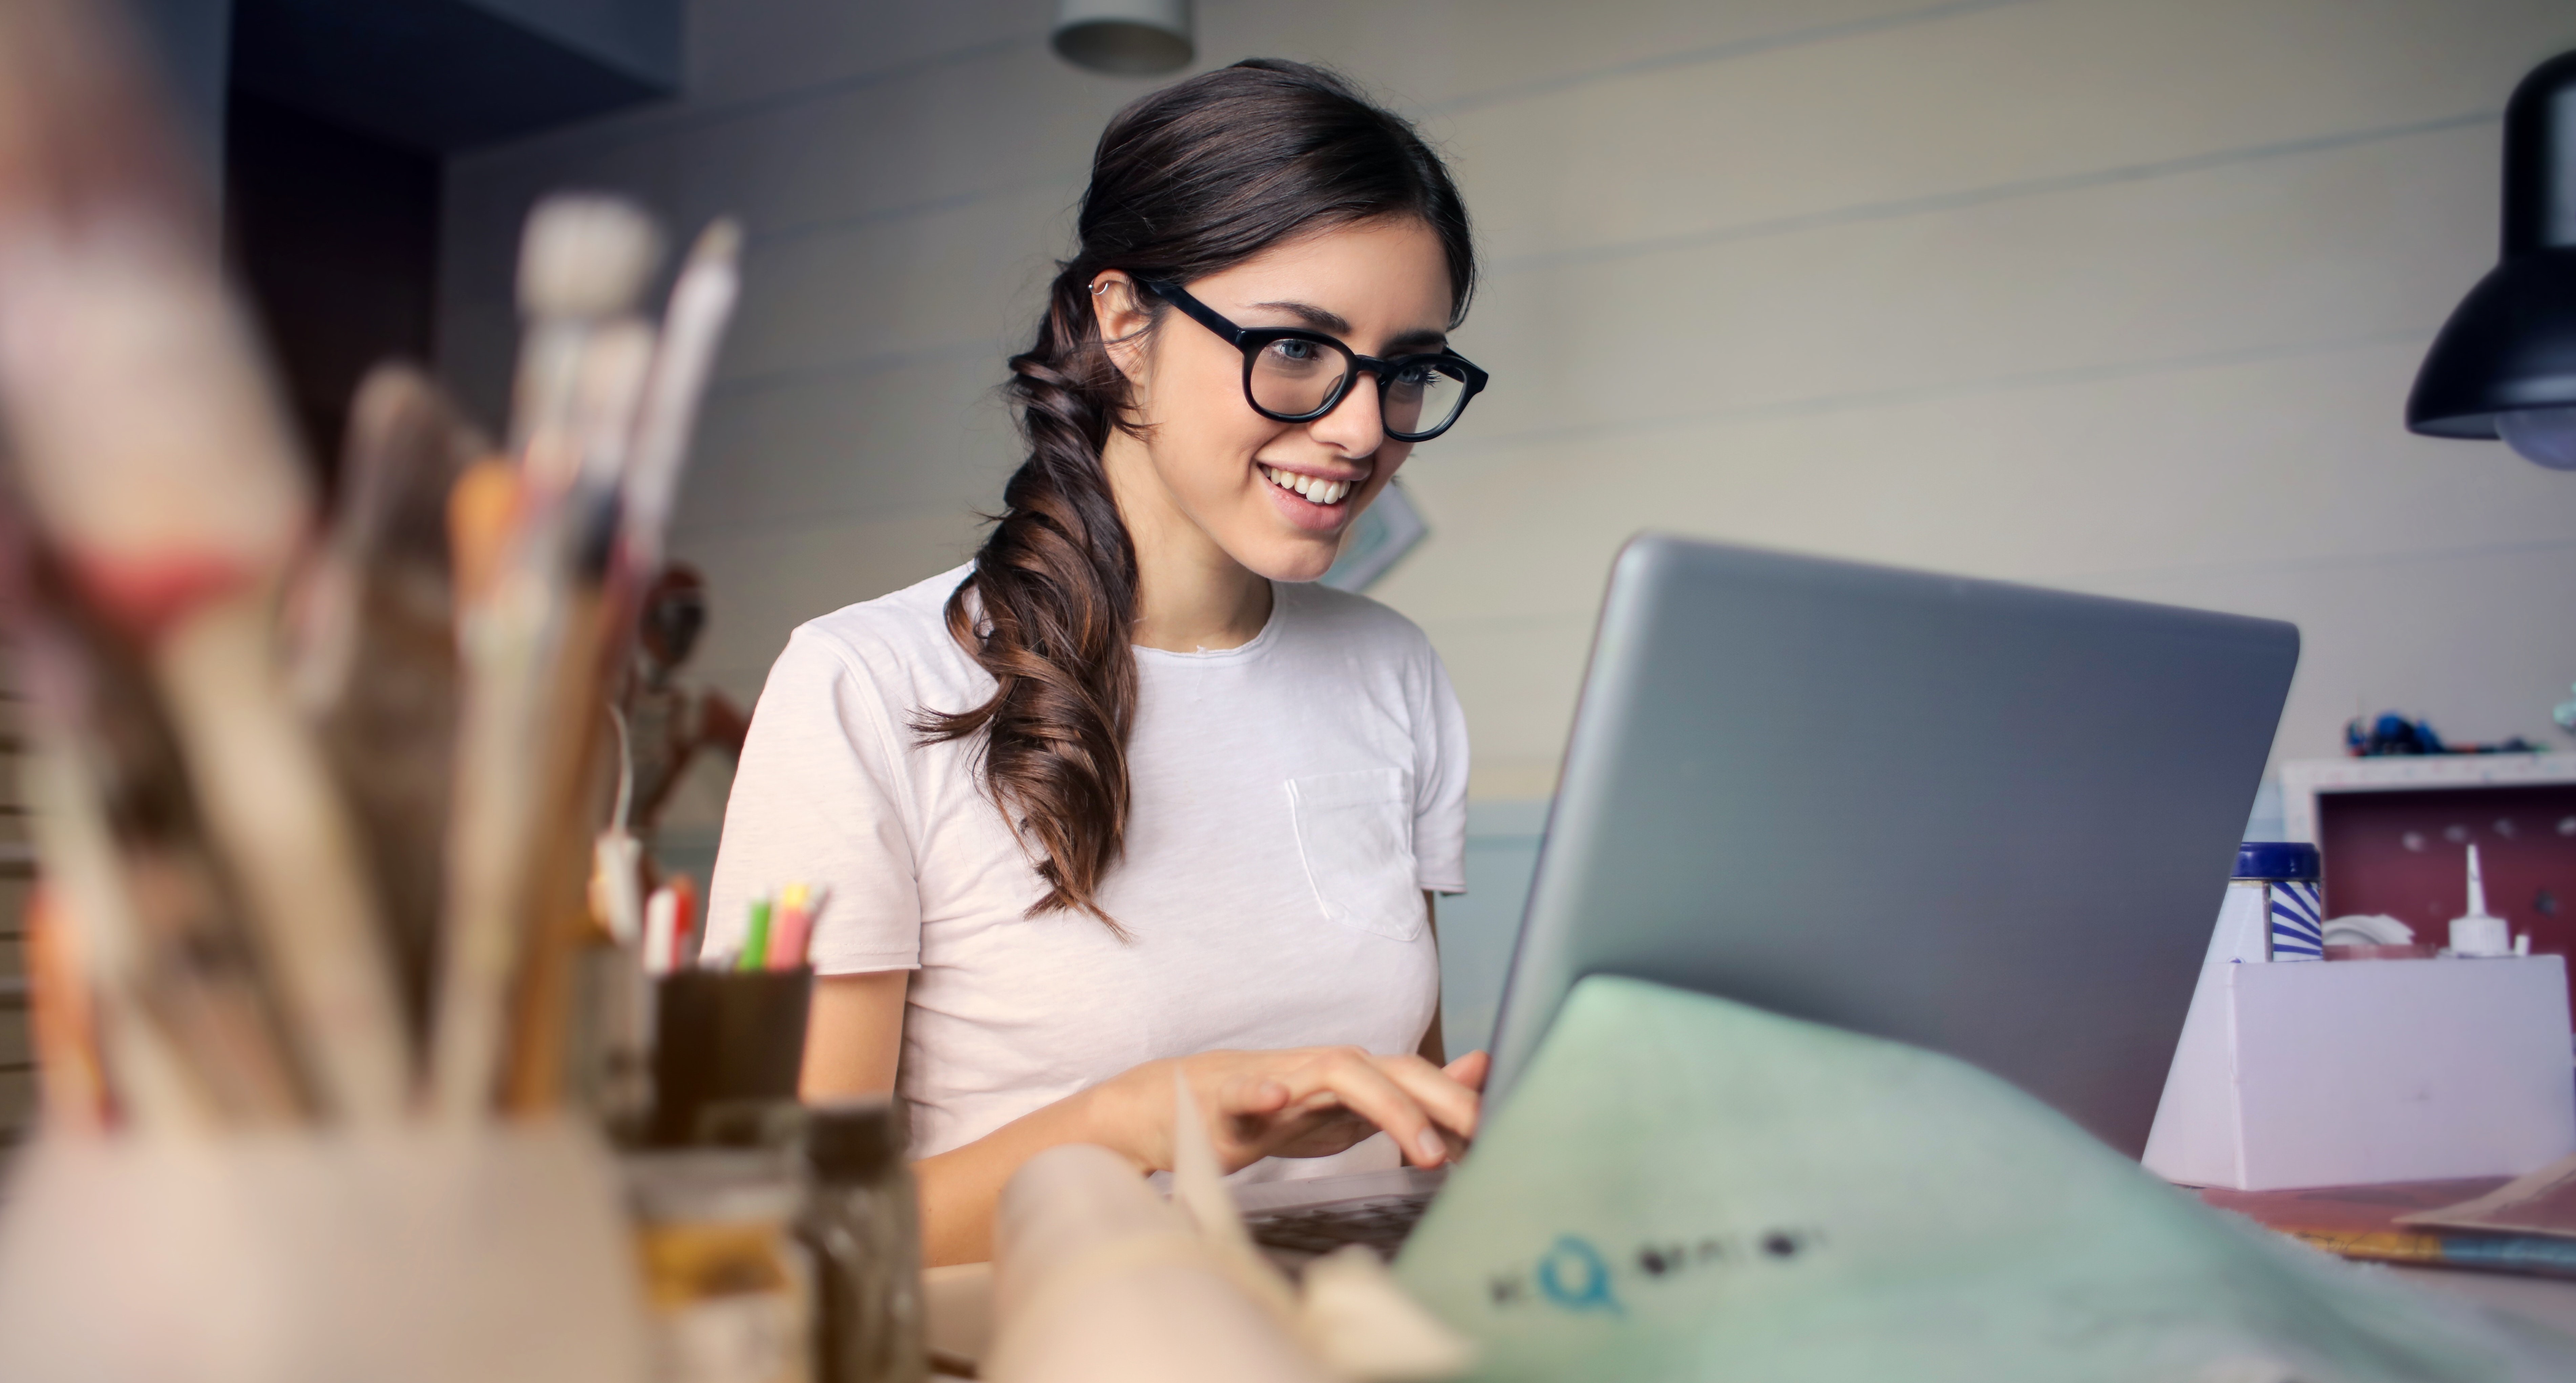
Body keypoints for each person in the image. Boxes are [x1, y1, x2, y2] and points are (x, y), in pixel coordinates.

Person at [705, 59, 1493, 1265]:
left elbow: (1412, 1114)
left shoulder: (1393, 671)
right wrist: (1136, 1123)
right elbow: (792, 1229)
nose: (1361, 428)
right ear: (1126, 323)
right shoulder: (863, 685)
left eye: (1408, 370)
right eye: (1296, 349)